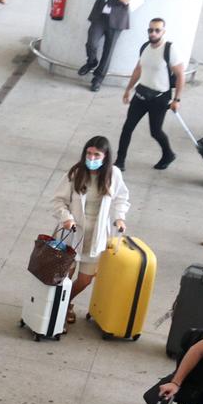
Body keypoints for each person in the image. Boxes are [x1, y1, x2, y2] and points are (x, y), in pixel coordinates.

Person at [50, 134, 131, 318]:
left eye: (97, 155)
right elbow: (58, 200)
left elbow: (121, 198)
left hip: (95, 236)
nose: (91, 158)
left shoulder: (114, 174)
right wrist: (66, 217)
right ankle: (58, 311)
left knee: (85, 280)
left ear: (105, 157)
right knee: (64, 277)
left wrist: (120, 218)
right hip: (72, 234)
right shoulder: (75, 173)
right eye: (89, 153)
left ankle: (64, 303)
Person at [113, 18, 184, 172]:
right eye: (150, 30)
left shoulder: (170, 49)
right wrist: (129, 89)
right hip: (141, 95)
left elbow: (180, 75)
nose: (153, 33)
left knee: (155, 131)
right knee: (127, 128)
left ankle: (168, 154)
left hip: (159, 98)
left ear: (163, 32)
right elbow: (138, 69)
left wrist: (176, 99)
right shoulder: (145, 47)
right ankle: (120, 161)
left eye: (157, 30)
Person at [76, 0, 140, 93]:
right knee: (92, 41)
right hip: (100, 16)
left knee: (108, 51)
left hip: (117, 20)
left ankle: (98, 79)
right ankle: (91, 61)